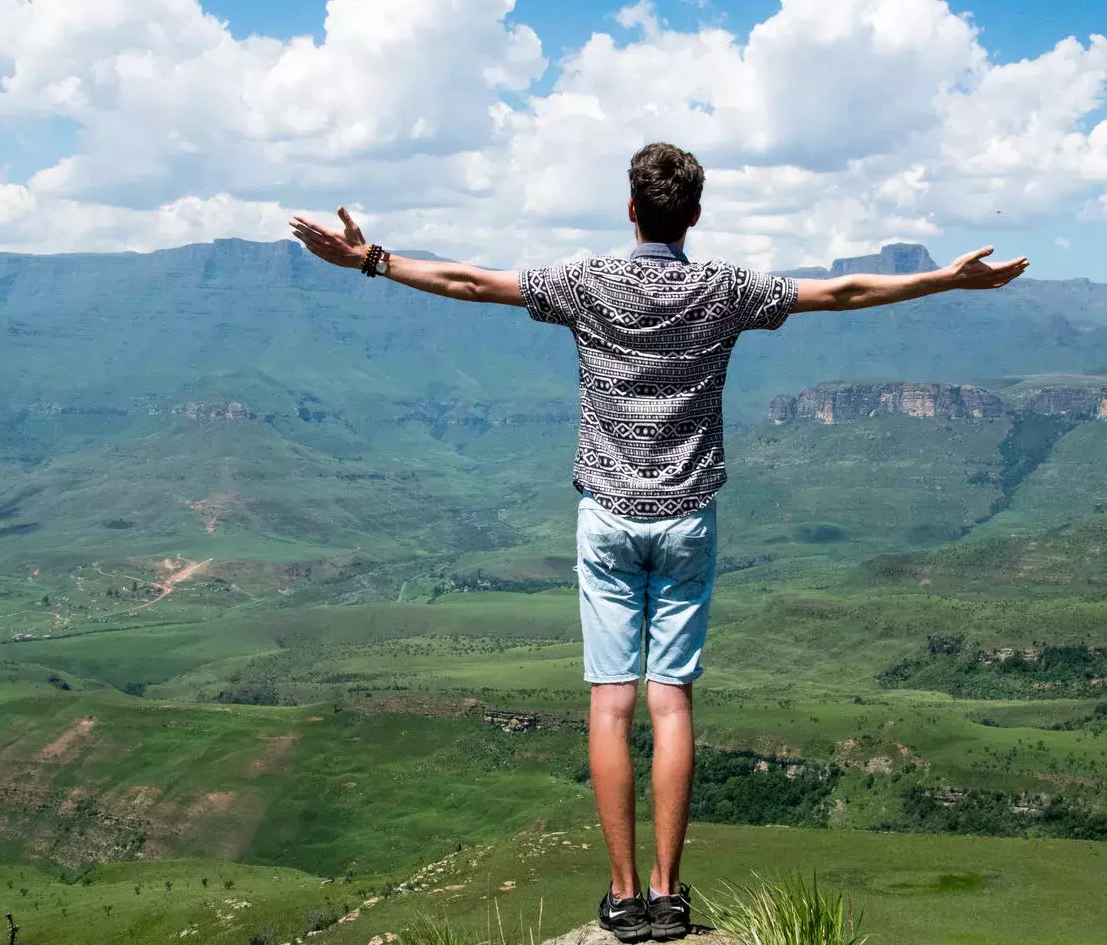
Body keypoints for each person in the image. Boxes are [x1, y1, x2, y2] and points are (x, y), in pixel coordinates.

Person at [289, 142, 1028, 942]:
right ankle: (671, 898)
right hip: (687, 520)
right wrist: (947, 279)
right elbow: (843, 291)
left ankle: (621, 896)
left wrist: (371, 260)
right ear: (696, 216)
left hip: (606, 518)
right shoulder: (726, 289)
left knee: (611, 703)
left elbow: (470, 282)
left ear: (631, 210)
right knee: (670, 700)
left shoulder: (587, 282)